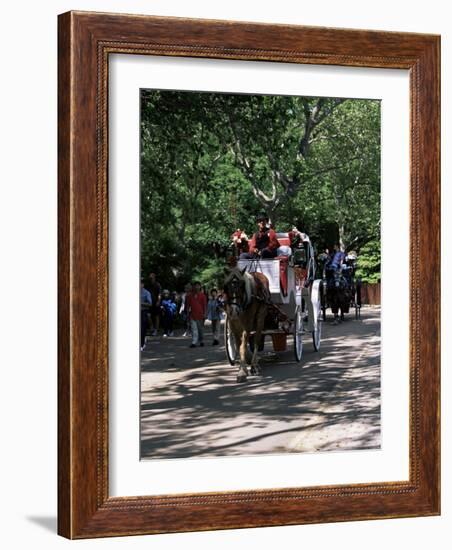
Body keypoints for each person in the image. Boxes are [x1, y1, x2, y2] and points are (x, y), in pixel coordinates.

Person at [186, 281, 207, 348]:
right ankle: (194, 342)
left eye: (198, 285)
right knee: (194, 329)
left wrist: (205, 313)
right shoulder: (189, 296)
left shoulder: (202, 295)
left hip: (200, 314)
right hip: (192, 314)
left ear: (200, 287)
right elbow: (187, 305)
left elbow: (204, 305)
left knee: (200, 329)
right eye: (195, 286)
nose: (196, 287)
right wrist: (187, 313)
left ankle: (201, 341)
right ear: (193, 287)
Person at [140, 280, 152, 351]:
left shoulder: (146, 293)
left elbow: (150, 304)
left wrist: (141, 303)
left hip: (143, 311)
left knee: (142, 328)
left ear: (142, 284)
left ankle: (142, 344)